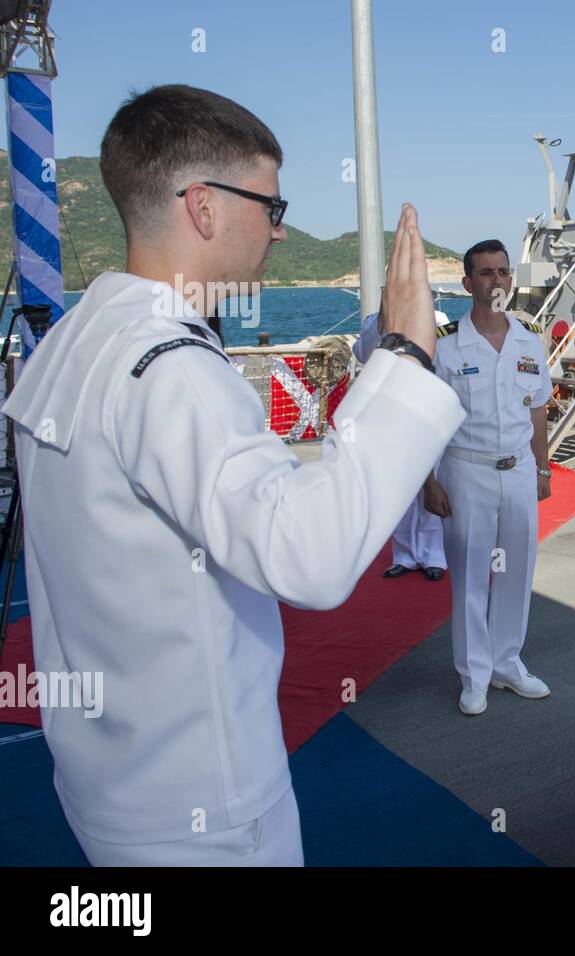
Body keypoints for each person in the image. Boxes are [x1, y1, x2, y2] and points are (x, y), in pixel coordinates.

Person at [1, 84, 463, 866]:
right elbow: (311, 556)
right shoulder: (172, 369)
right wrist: (409, 355)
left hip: (110, 784)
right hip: (203, 815)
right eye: (272, 208)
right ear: (205, 207)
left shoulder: (78, 339)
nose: (280, 233)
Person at [422, 239, 552, 716]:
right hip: (466, 471)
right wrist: (428, 482)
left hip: (518, 470)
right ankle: (474, 676)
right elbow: (428, 418)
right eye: (485, 273)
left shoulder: (528, 341)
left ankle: (507, 665)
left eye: (502, 272)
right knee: (472, 578)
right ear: (467, 283)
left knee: (516, 573)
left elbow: (537, 409)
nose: (496, 280)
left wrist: (542, 467)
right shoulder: (448, 346)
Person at [353, 295, 452, 581]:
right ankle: (405, 555)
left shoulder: (439, 321)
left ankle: (434, 555)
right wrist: (386, 307)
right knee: (400, 490)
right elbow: (364, 353)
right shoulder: (376, 322)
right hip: (391, 412)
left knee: (431, 483)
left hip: (427, 408)